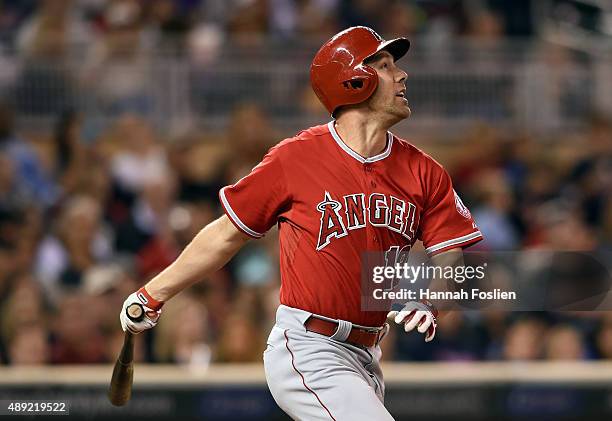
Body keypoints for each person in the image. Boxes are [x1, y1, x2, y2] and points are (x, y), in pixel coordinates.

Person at [119, 26, 483, 420]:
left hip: (367, 356)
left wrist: (430, 299)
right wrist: (151, 294)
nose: (401, 75)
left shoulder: (424, 171)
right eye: (384, 64)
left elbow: (451, 255)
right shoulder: (295, 158)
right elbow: (226, 234)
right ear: (352, 80)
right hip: (309, 347)